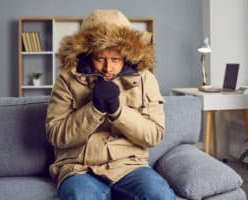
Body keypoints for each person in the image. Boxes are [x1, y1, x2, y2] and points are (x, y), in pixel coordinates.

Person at [45, 9, 175, 200]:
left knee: (160, 195)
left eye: (116, 59)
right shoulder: (66, 80)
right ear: (87, 54)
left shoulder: (146, 80)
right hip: (79, 167)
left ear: (127, 55)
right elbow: (56, 135)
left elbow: (154, 135)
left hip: (130, 166)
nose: (108, 68)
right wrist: (94, 109)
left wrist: (118, 111)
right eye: (100, 59)